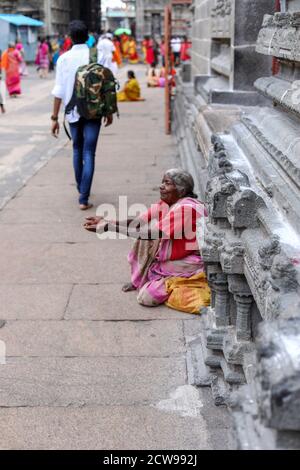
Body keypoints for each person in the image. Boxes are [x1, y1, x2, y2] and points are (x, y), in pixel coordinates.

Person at [84, 169, 208, 308]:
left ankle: (172, 280)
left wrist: (109, 228)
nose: (161, 186)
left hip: (192, 260)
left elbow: (150, 234)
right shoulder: (168, 203)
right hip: (178, 254)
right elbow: (139, 222)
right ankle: (143, 279)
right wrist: (107, 221)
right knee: (143, 239)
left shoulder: (185, 209)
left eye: (167, 183)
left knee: (146, 298)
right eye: (162, 182)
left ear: (181, 190)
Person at [51, 20, 113, 211]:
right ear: (88, 37)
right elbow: (107, 85)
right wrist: (109, 110)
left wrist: (54, 118)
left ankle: (81, 189)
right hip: (94, 111)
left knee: (77, 150)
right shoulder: (98, 55)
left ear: (69, 38)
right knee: (89, 152)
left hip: (73, 112)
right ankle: (83, 197)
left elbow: (59, 91)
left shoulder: (63, 59)